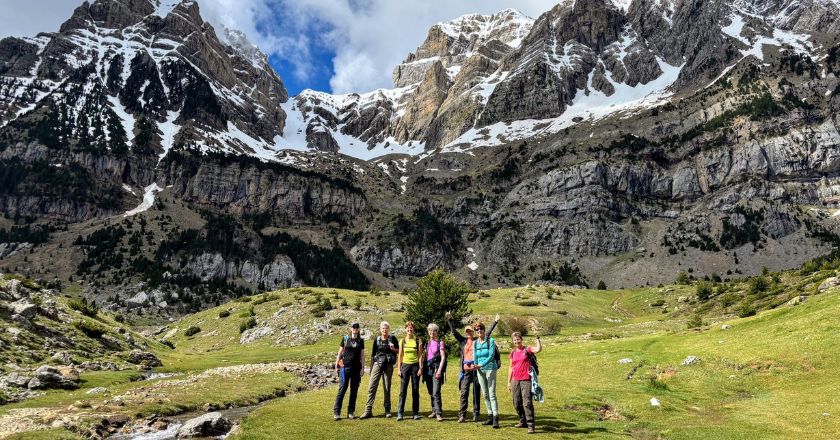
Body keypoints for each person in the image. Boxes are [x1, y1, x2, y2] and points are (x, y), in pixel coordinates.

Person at [447, 312, 500, 423]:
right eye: (467, 331)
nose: (469, 333)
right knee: (464, 392)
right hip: (466, 370)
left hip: (477, 369)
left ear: (473, 331)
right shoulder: (463, 341)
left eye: (470, 331)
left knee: (477, 392)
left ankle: (476, 414)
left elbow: (488, 332)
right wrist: (450, 320)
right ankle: (462, 414)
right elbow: (454, 332)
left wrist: (495, 322)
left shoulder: (478, 340)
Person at [360, 321, 399, 419]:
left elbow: (399, 351)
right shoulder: (377, 339)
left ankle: (387, 410)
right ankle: (368, 410)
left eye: (386, 328)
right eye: (383, 328)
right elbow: (373, 354)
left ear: (388, 329)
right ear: (380, 329)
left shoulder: (393, 338)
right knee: (372, 386)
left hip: (388, 365)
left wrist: (393, 348)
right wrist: (372, 368)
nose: (384, 330)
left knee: (387, 387)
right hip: (377, 364)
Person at [507, 332, 542, 434]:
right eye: (515, 340)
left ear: (521, 340)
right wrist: (509, 382)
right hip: (515, 380)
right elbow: (511, 367)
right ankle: (523, 420)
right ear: (513, 341)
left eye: (518, 339)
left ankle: (531, 425)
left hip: (526, 380)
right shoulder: (513, 352)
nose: (517, 341)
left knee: (527, 403)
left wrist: (537, 338)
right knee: (516, 403)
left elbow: (538, 349)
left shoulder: (527, 349)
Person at [333, 323, 365, 420]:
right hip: (345, 367)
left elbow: (362, 355)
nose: (355, 329)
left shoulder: (361, 340)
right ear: (351, 329)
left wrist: (363, 368)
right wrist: (336, 364)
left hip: (356, 368)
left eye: (357, 328)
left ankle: (350, 412)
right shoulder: (345, 338)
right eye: (353, 327)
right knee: (342, 389)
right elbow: (340, 352)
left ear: (358, 329)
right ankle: (337, 412)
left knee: (354, 390)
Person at [473, 321, 500, 428]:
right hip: (479, 370)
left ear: (484, 330)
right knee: (485, 394)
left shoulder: (491, 340)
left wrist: (481, 364)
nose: (479, 331)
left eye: (481, 329)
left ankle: (495, 418)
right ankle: (489, 416)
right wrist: (475, 365)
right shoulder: (475, 343)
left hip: (490, 369)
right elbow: (475, 355)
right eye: (477, 329)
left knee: (492, 394)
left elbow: (491, 356)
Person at [396, 321, 424, 421]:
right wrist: (399, 369)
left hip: (415, 366)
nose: (409, 329)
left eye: (411, 328)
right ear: (405, 329)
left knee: (415, 390)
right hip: (405, 366)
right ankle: (400, 412)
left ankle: (415, 413)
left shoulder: (418, 340)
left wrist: (421, 368)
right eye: (408, 328)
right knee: (403, 390)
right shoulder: (402, 341)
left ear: (413, 329)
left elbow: (420, 355)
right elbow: (400, 356)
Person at [423, 323, 446, 421]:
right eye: (430, 330)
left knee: (436, 391)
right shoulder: (427, 343)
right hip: (428, 370)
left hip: (436, 369)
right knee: (430, 391)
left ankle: (439, 413)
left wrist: (440, 370)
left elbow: (443, 357)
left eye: (434, 330)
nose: (432, 332)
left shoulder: (440, 342)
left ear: (437, 331)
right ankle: (434, 410)